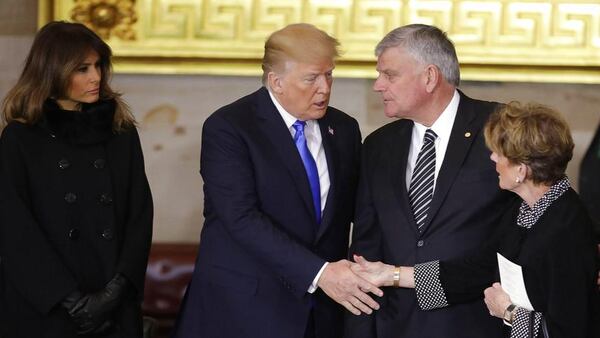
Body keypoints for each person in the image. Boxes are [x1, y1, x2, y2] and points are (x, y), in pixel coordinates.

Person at [172, 23, 382, 338]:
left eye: (329, 75)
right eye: (311, 78)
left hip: (320, 313)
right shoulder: (230, 127)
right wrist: (320, 272)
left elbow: (354, 211)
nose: (324, 88)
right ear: (276, 81)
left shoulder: (344, 128)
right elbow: (240, 218)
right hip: (243, 308)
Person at [351, 102, 600, 338]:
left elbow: (571, 329)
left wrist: (508, 312)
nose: (492, 158)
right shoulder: (525, 210)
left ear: (521, 171)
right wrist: (391, 274)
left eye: (500, 153)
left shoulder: (567, 229)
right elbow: (477, 269)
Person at [344, 24, 515, 338]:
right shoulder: (379, 145)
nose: (378, 86)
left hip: (477, 323)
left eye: (389, 75)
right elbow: (366, 248)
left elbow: (529, 230)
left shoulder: (501, 129)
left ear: (429, 76)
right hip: (395, 325)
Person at [0, 21, 153, 338]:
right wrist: (70, 300)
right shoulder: (20, 138)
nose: (96, 77)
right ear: (52, 71)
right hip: (46, 307)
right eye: (82, 69)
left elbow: (139, 216)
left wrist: (113, 293)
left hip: (113, 306)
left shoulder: (120, 133)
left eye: (98, 66)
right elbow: (14, 229)